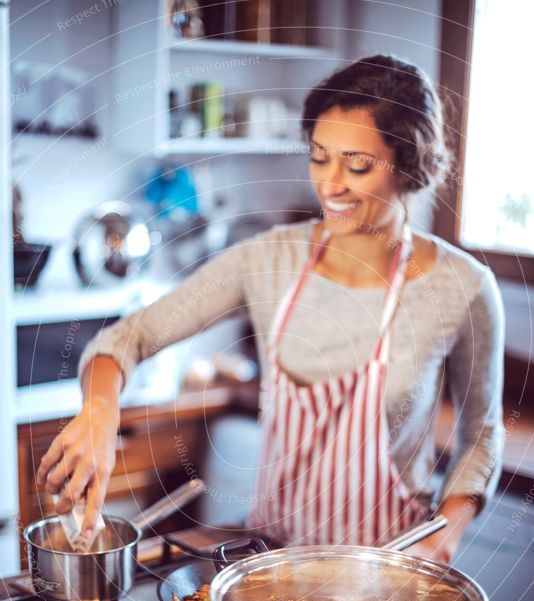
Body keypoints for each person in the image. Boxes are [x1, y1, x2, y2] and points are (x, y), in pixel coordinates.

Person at [37, 55, 505, 563]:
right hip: (270, 575)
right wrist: (101, 410)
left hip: (389, 573)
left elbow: (482, 432)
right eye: (320, 157)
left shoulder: (463, 287)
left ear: (408, 165)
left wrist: (448, 528)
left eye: (358, 165)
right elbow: (129, 338)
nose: (331, 184)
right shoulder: (268, 259)